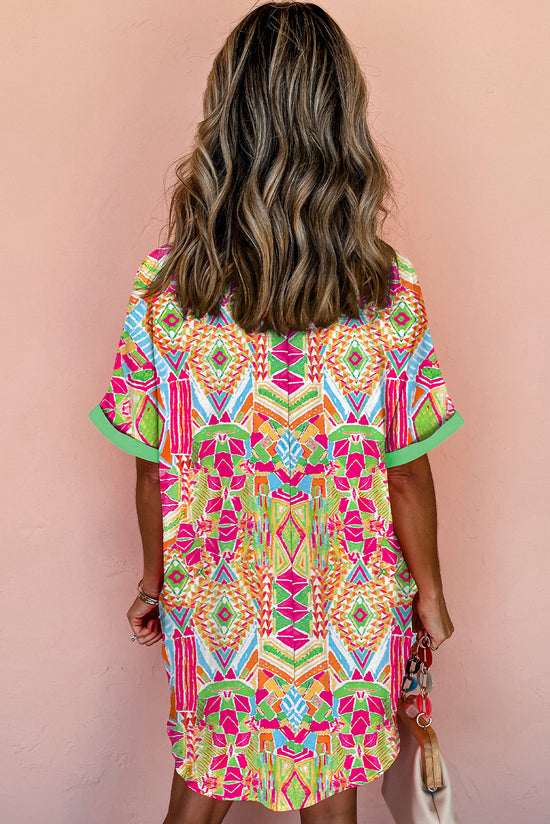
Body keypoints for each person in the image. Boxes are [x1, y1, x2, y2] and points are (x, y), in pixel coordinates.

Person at [89, 2, 464, 822]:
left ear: (226, 119)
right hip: (349, 596)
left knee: (201, 781)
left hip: (215, 590)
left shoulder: (167, 291)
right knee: (334, 796)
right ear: (343, 126)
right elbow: (407, 471)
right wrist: (429, 590)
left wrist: (155, 581)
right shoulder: (385, 288)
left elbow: (151, 466)